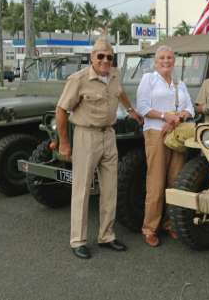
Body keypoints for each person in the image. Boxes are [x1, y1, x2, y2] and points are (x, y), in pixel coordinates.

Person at [56, 38, 141, 259]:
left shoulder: (114, 75)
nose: (105, 60)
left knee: (110, 189)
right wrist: (64, 142)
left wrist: (131, 110)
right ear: (92, 57)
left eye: (109, 56)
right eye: (100, 56)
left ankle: (106, 236)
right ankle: (78, 240)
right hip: (86, 136)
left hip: (109, 136)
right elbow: (61, 110)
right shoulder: (79, 79)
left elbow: (119, 92)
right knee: (82, 190)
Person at [136, 45, 194, 247]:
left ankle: (170, 224)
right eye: (162, 57)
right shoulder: (148, 79)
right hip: (155, 133)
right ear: (155, 61)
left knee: (175, 181)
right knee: (156, 182)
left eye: (169, 57)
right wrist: (164, 116)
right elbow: (142, 107)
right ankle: (150, 228)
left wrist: (177, 118)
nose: (166, 61)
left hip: (176, 135)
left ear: (174, 61)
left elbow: (190, 109)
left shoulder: (179, 83)